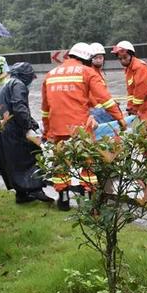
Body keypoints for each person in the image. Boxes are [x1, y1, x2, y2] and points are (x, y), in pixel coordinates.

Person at [41, 42, 127, 210]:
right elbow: (106, 99)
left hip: (58, 128)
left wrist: (47, 130)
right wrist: (120, 119)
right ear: (86, 59)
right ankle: (91, 202)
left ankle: (63, 199)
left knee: (60, 163)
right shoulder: (87, 72)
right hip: (81, 128)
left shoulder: (50, 74)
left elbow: (45, 109)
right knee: (88, 164)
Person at [0, 62, 52, 204]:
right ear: (25, 76)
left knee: (13, 162)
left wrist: (33, 123)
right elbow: (19, 107)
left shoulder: (7, 84)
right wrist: (28, 127)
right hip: (10, 130)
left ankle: (22, 194)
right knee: (32, 155)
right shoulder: (18, 85)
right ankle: (36, 190)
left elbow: (17, 108)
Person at [111, 40, 147, 131]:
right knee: (141, 130)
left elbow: (140, 90)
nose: (123, 60)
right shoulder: (129, 69)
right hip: (142, 104)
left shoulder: (139, 67)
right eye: (120, 58)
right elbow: (131, 90)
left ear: (131, 55)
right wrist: (130, 107)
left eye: (125, 57)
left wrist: (134, 108)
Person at [88, 42, 113, 124]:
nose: (98, 60)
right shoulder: (90, 72)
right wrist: (97, 105)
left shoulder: (98, 72)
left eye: (100, 57)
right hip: (93, 109)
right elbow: (89, 92)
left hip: (100, 107)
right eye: (96, 58)